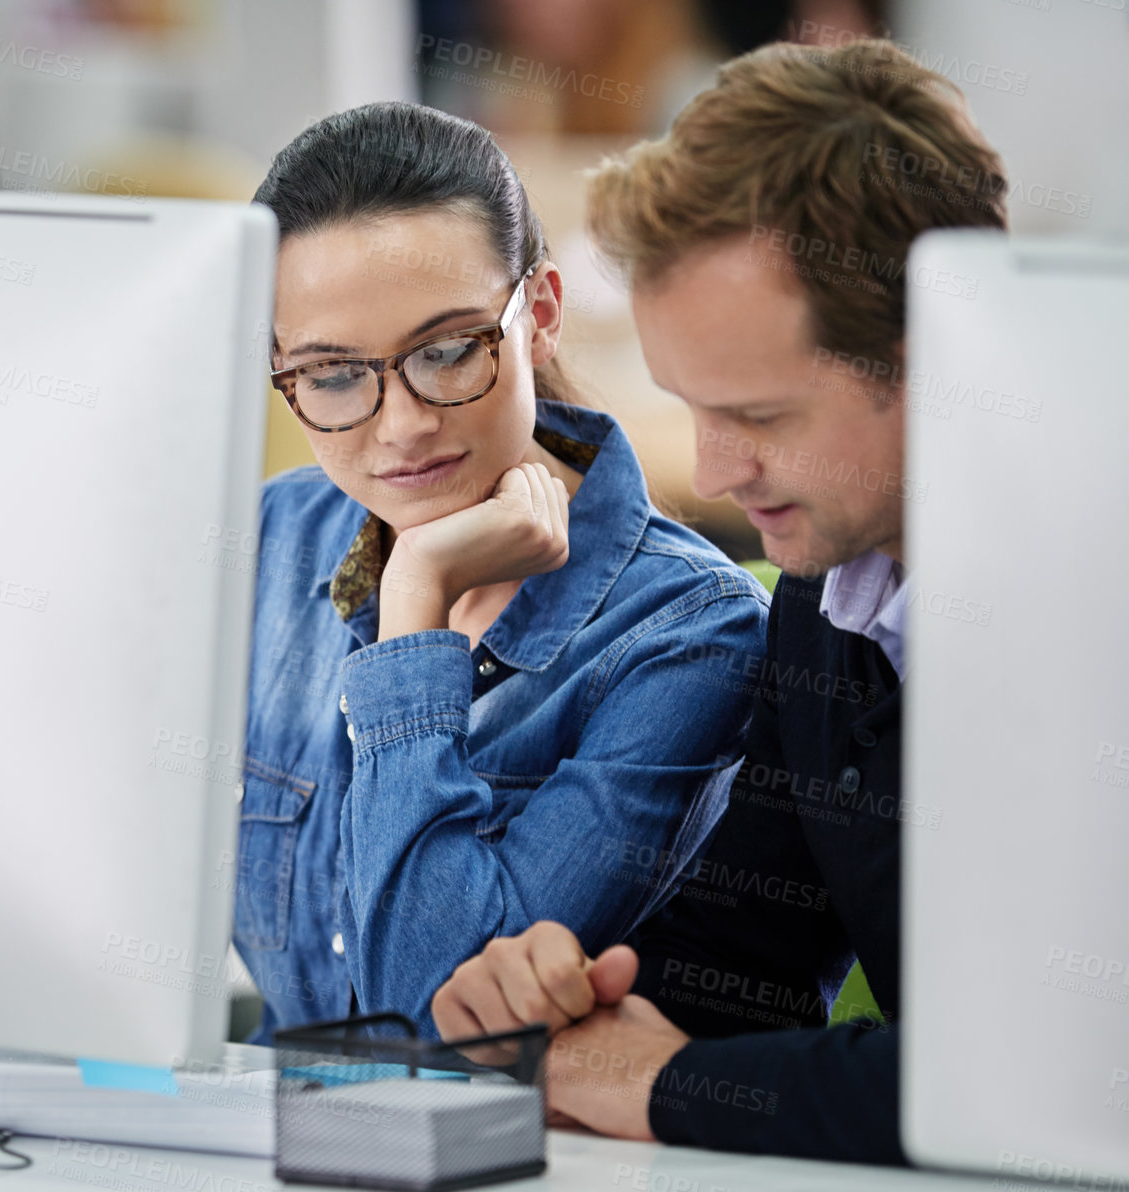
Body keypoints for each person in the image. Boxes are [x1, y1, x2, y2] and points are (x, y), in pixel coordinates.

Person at [429, 39, 1008, 1162]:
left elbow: (1039, 1068)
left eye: (758, 415)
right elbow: (750, 953)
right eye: (691, 406)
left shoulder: (1088, 619)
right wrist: (562, 1007)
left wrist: (663, 1080)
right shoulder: (831, 595)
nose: (713, 468)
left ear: (935, 355)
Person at [234, 101, 769, 1040]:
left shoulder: (689, 635)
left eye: (447, 353)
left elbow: (434, 1013)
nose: (400, 426)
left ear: (543, 315)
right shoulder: (274, 538)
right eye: (330, 376)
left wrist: (416, 607)